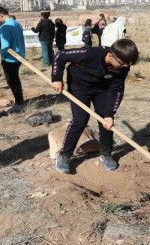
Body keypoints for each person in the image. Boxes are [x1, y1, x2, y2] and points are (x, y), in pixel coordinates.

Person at [51, 39, 139, 174]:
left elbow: (116, 90)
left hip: (103, 88)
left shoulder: (123, 67)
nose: (124, 66)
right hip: (79, 87)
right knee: (80, 120)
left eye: (127, 64)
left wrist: (109, 114)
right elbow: (61, 55)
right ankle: (65, 155)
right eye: (121, 63)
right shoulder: (89, 53)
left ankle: (106, 153)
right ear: (111, 55)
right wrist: (57, 78)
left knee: (106, 120)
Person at [0, 6, 26, 114]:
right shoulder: (17, 24)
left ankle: (19, 103)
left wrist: (2, 56)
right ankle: (20, 100)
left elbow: (5, 45)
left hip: (10, 58)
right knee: (15, 79)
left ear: (0, 15)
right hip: (19, 56)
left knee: (12, 80)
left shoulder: (5, 27)